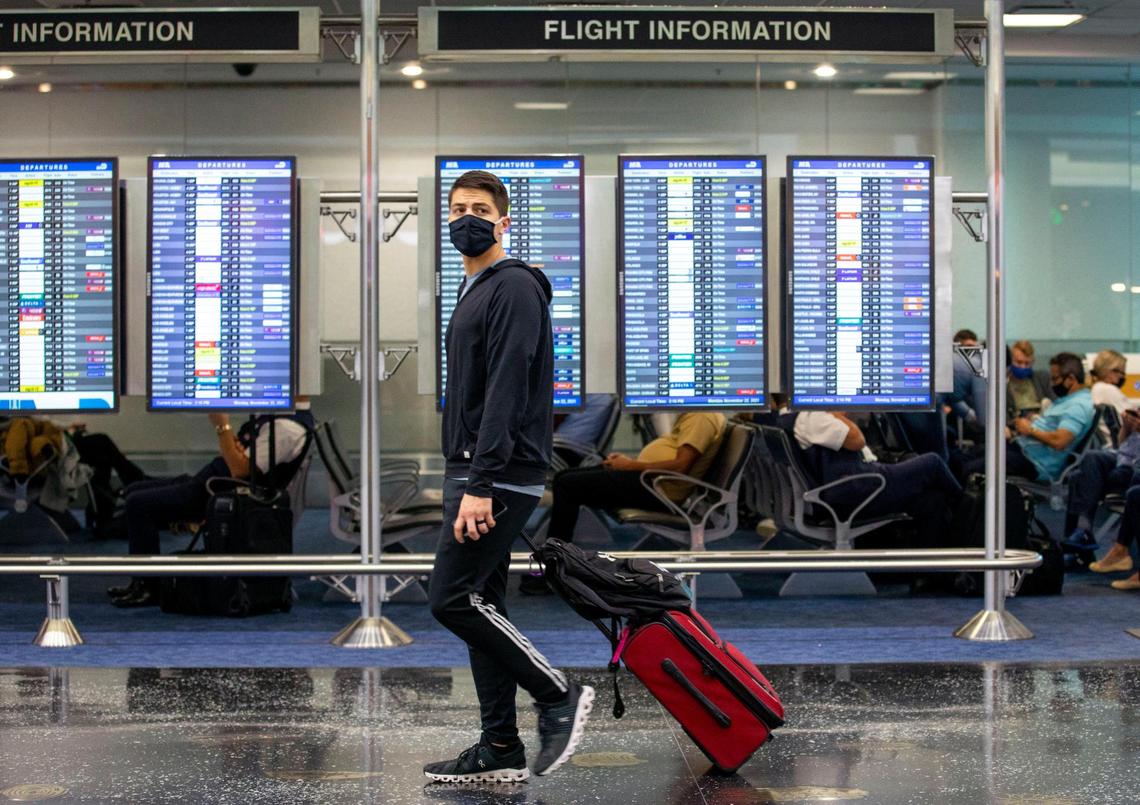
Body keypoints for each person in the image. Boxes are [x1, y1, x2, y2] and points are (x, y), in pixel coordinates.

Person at [424, 170, 592, 785]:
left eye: (479, 209)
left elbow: (507, 386)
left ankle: (556, 694)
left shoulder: (515, 286)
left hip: (495, 473)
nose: (466, 217)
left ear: (504, 221)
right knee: (480, 601)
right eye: (457, 209)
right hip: (475, 468)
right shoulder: (475, 288)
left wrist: (481, 482)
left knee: (449, 599)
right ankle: (499, 744)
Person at [106, 402, 314, 608]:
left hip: (219, 492)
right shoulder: (275, 418)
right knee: (134, 489)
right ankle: (140, 580)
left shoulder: (286, 429)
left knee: (139, 503)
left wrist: (222, 426)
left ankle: (148, 586)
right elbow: (238, 456)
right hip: (212, 480)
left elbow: (239, 471)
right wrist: (233, 446)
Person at [782, 411, 962, 548]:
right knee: (932, 462)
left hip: (847, 486)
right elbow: (857, 440)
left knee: (932, 499)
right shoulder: (816, 419)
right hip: (859, 488)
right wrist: (836, 413)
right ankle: (966, 508)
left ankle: (927, 572)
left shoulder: (795, 418)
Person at [546, 412, 728, 543]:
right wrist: (627, 463)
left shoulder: (703, 416)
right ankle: (556, 555)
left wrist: (630, 465)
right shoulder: (697, 414)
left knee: (567, 484)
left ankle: (555, 560)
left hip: (658, 490)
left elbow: (681, 466)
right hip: (650, 482)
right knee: (565, 477)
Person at [957, 352, 1094, 483]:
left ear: (1071, 379)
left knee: (970, 468)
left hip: (1034, 462)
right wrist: (1033, 422)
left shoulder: (1078, 406)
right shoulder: (1067, 400)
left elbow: (1060, 441)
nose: (1052, 383)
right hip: (1024, 449)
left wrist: (1030, 430)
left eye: (1055, 378)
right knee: (964, 457)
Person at [1063, 407, 1140, 551]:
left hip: (1135, 469)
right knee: (1091, 457)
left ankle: (1080, 535)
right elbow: (1122, 444)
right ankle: (1082, 532)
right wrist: (1128, 427)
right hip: (1123, 460)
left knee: (1078, 478)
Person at [1006, 339, 1054, 419]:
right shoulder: (1003, 383)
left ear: (1033, 362)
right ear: (1011, 361)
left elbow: (1056, 402)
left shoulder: (1042, 378)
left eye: (1027, 363)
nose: (1023, 367)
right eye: (1019, 362)